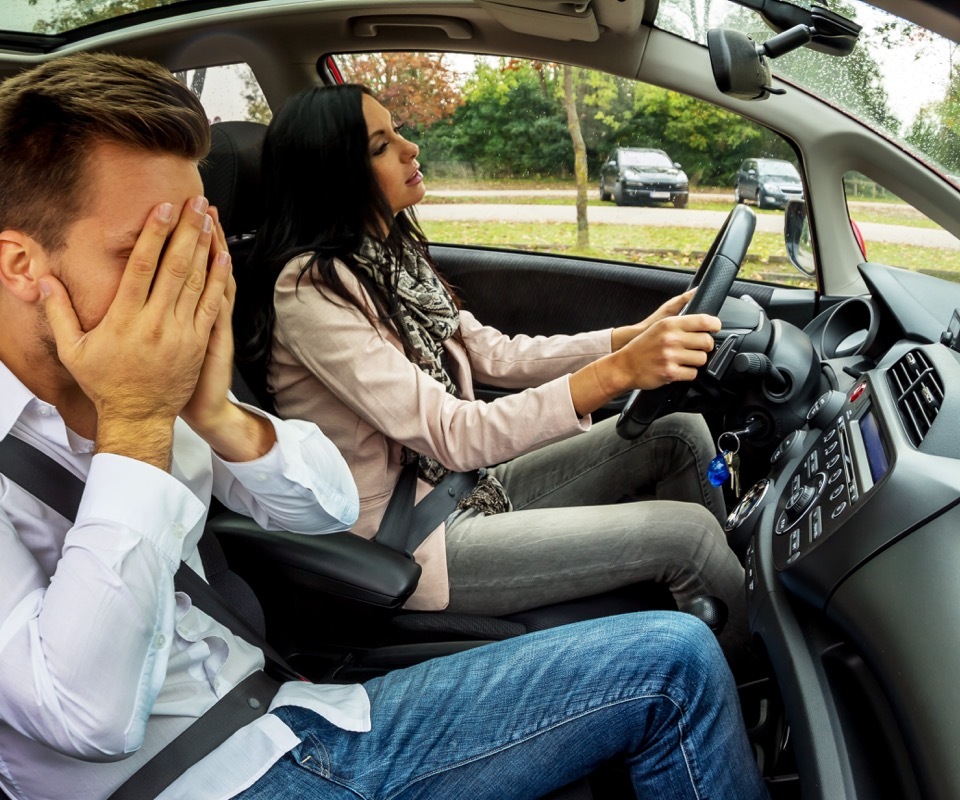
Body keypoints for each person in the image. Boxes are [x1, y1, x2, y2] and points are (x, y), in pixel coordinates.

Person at [0, 54, 767, 800]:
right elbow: (88, 712)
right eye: (143, 252)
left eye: (192, 243)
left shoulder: (156, 355)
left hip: (306, 712)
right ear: (22, 263)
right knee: (671, 661)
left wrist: (220, 417)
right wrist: (140, 425)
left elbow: (320, 508)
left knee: (669, 644)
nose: (184, 285)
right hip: (207, 783)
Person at [248, 83, 749, 659]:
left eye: (398, 133)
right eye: (382, 146)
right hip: (413, 539)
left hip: (468, 488)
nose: (412, 149)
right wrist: (616, 374)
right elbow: (453, 434)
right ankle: (749, 675)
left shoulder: (390, 260)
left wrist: (625, 340)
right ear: (331, 174)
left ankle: (719, 604)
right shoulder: (311, 290)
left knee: (680, 436)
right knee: (688, 536)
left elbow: (496, 355)